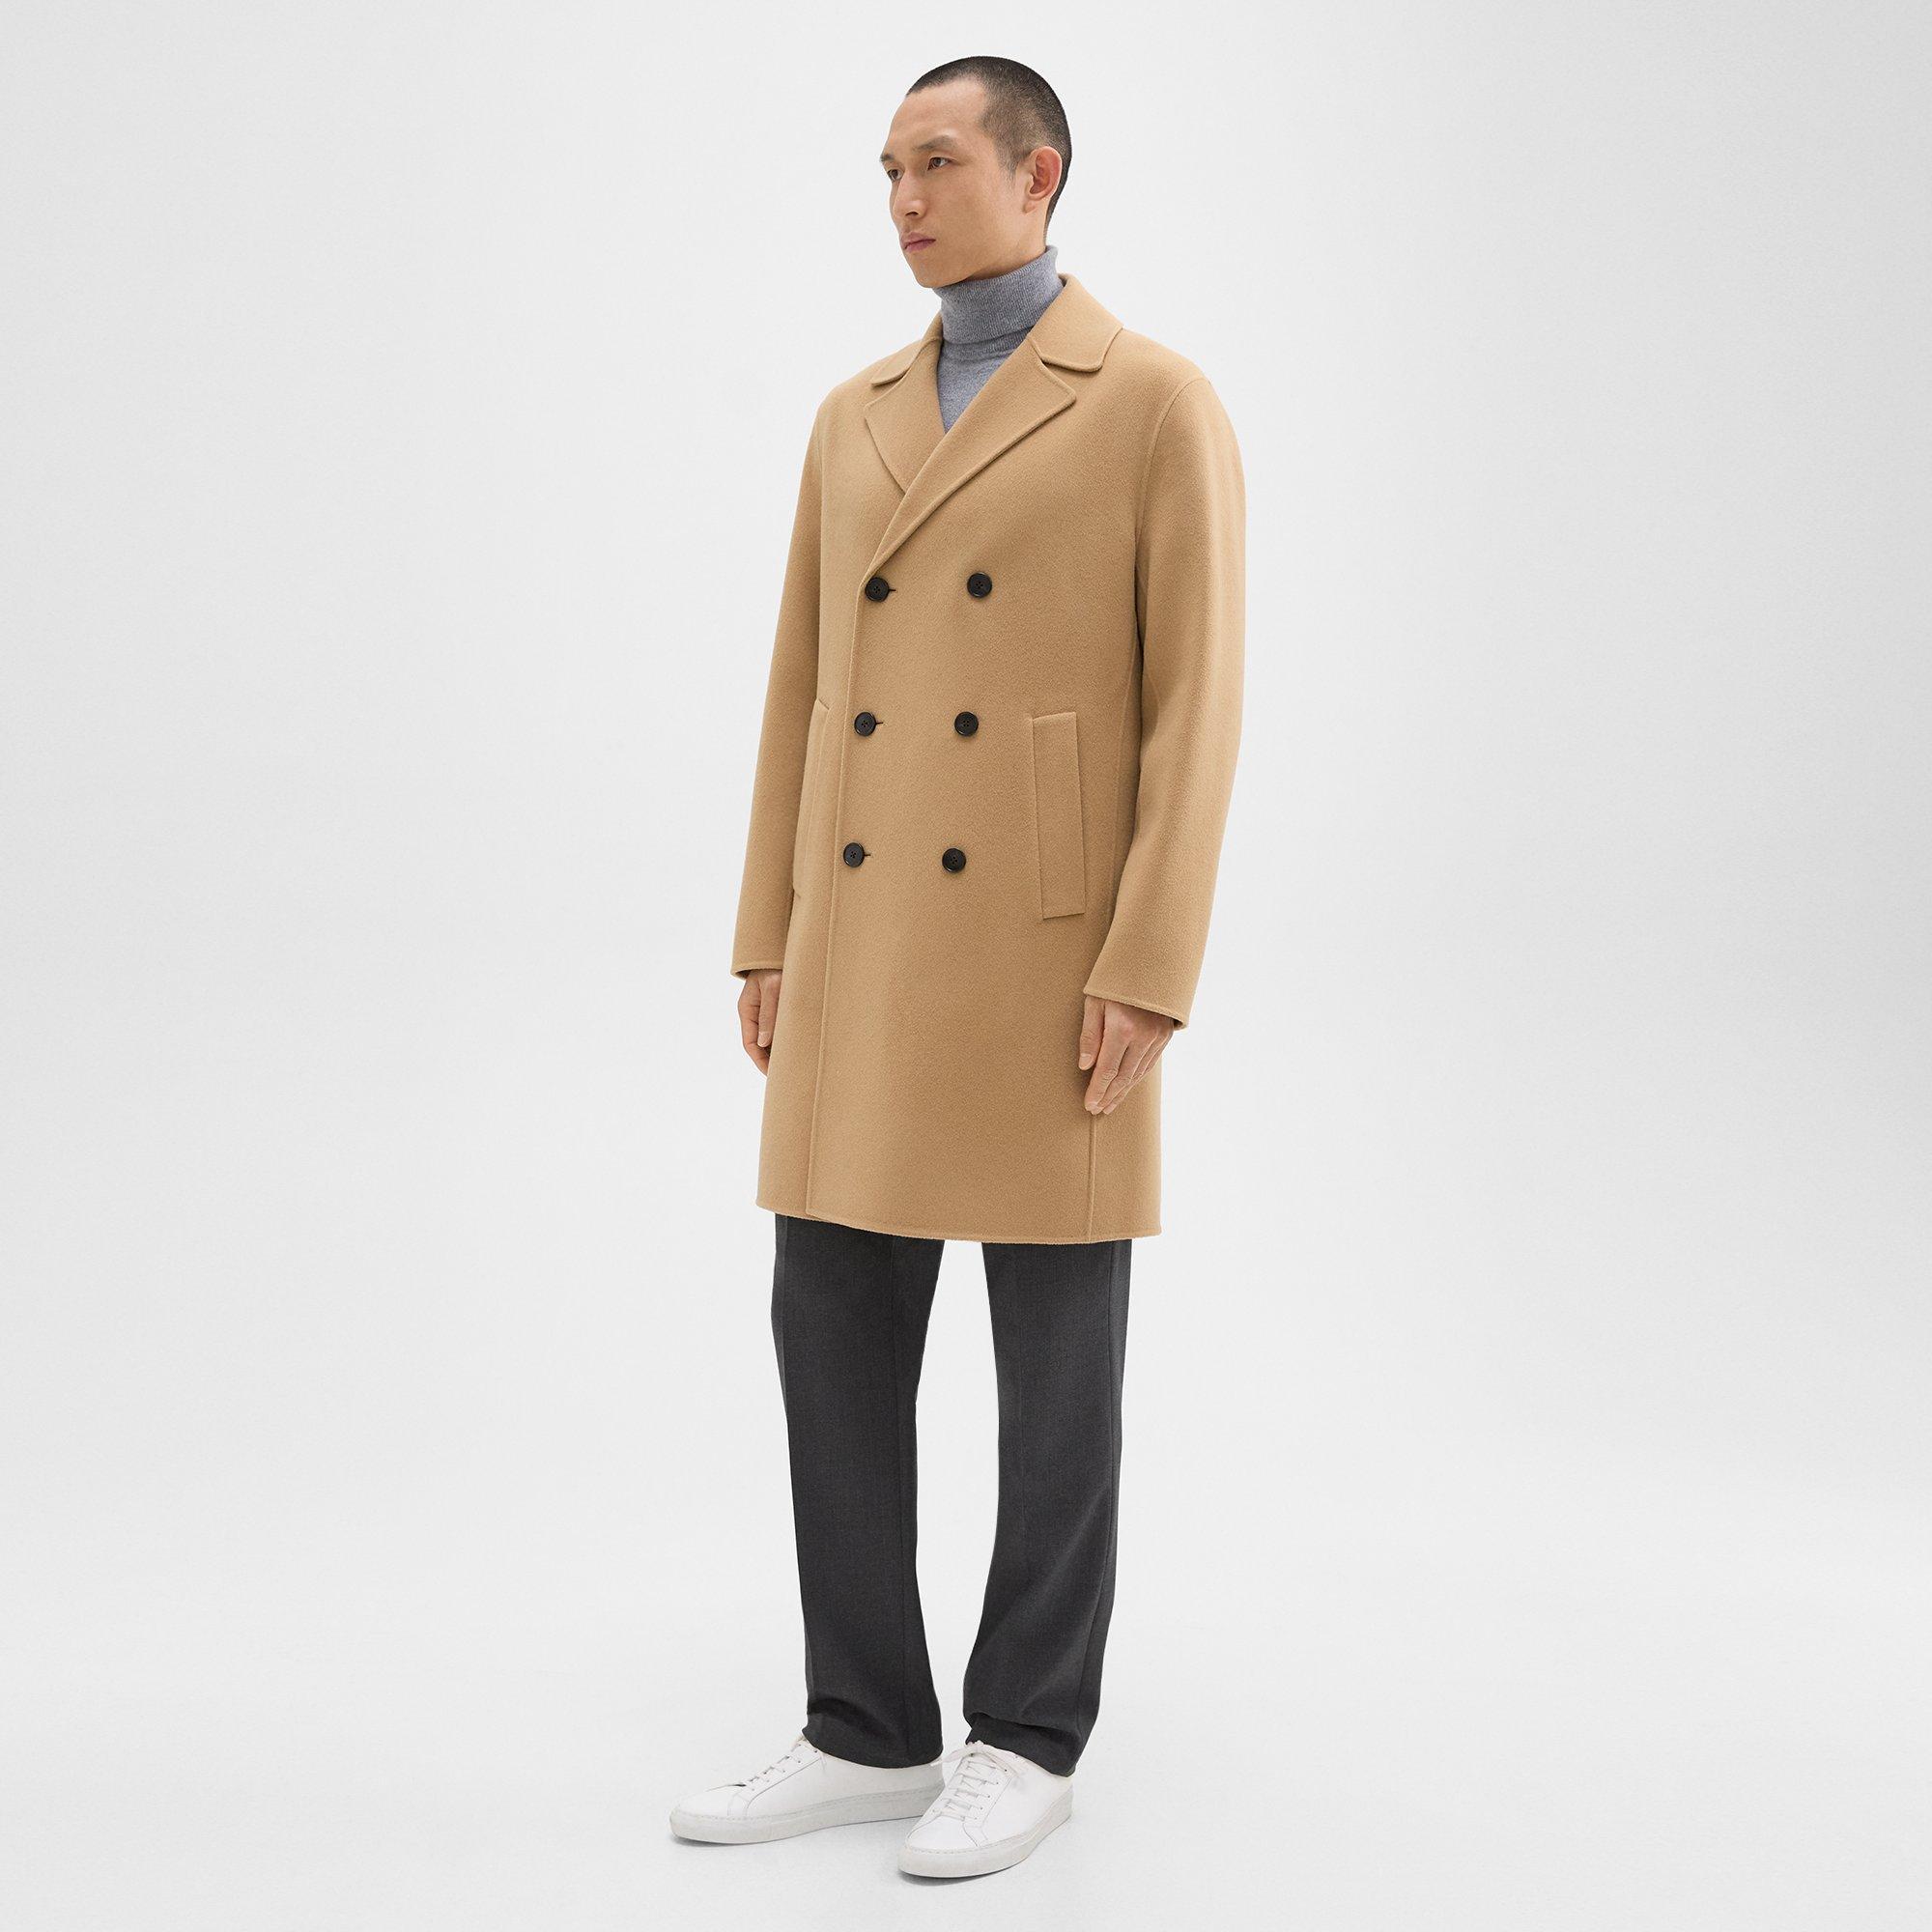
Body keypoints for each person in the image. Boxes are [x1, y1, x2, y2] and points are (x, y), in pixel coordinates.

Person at [670, 54, 1245, 1879]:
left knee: (1056, 1367)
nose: (904, 199)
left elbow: (1199, 708)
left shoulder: (1151, 400)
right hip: (861, 937)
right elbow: (801, 691)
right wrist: (768, 930)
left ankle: (1029, 1733)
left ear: (1037, 173)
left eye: (936, 163)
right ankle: (865, 1724)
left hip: (1052, 950)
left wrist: (1151, 961)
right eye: (887, 170)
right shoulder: (851, 415)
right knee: (829, 1334)